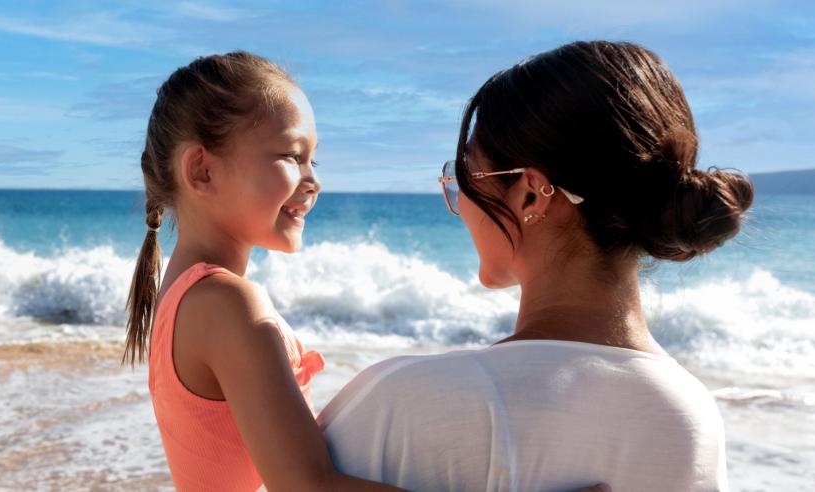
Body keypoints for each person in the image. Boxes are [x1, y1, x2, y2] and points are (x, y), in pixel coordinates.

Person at [318, 40, 745, 491]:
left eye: (464, 175)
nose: (460, 203)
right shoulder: (689, 417)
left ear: (529, 193)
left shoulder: (402, 400)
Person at [123, 51, 399, 491]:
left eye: (314, 160)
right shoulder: (225, 303)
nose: (314, 181)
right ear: (202, 170)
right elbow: (309, 486)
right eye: (292, 155)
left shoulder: (183, 295)